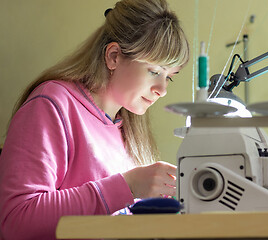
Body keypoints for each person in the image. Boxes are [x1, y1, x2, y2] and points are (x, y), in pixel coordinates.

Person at [0, 0, 189, 239]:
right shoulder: (52, 105)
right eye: (154, 72)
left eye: (169, 77)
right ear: (113, 57)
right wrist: (126, 186)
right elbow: (16, 221)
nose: (162, 89)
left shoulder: (128, 129)